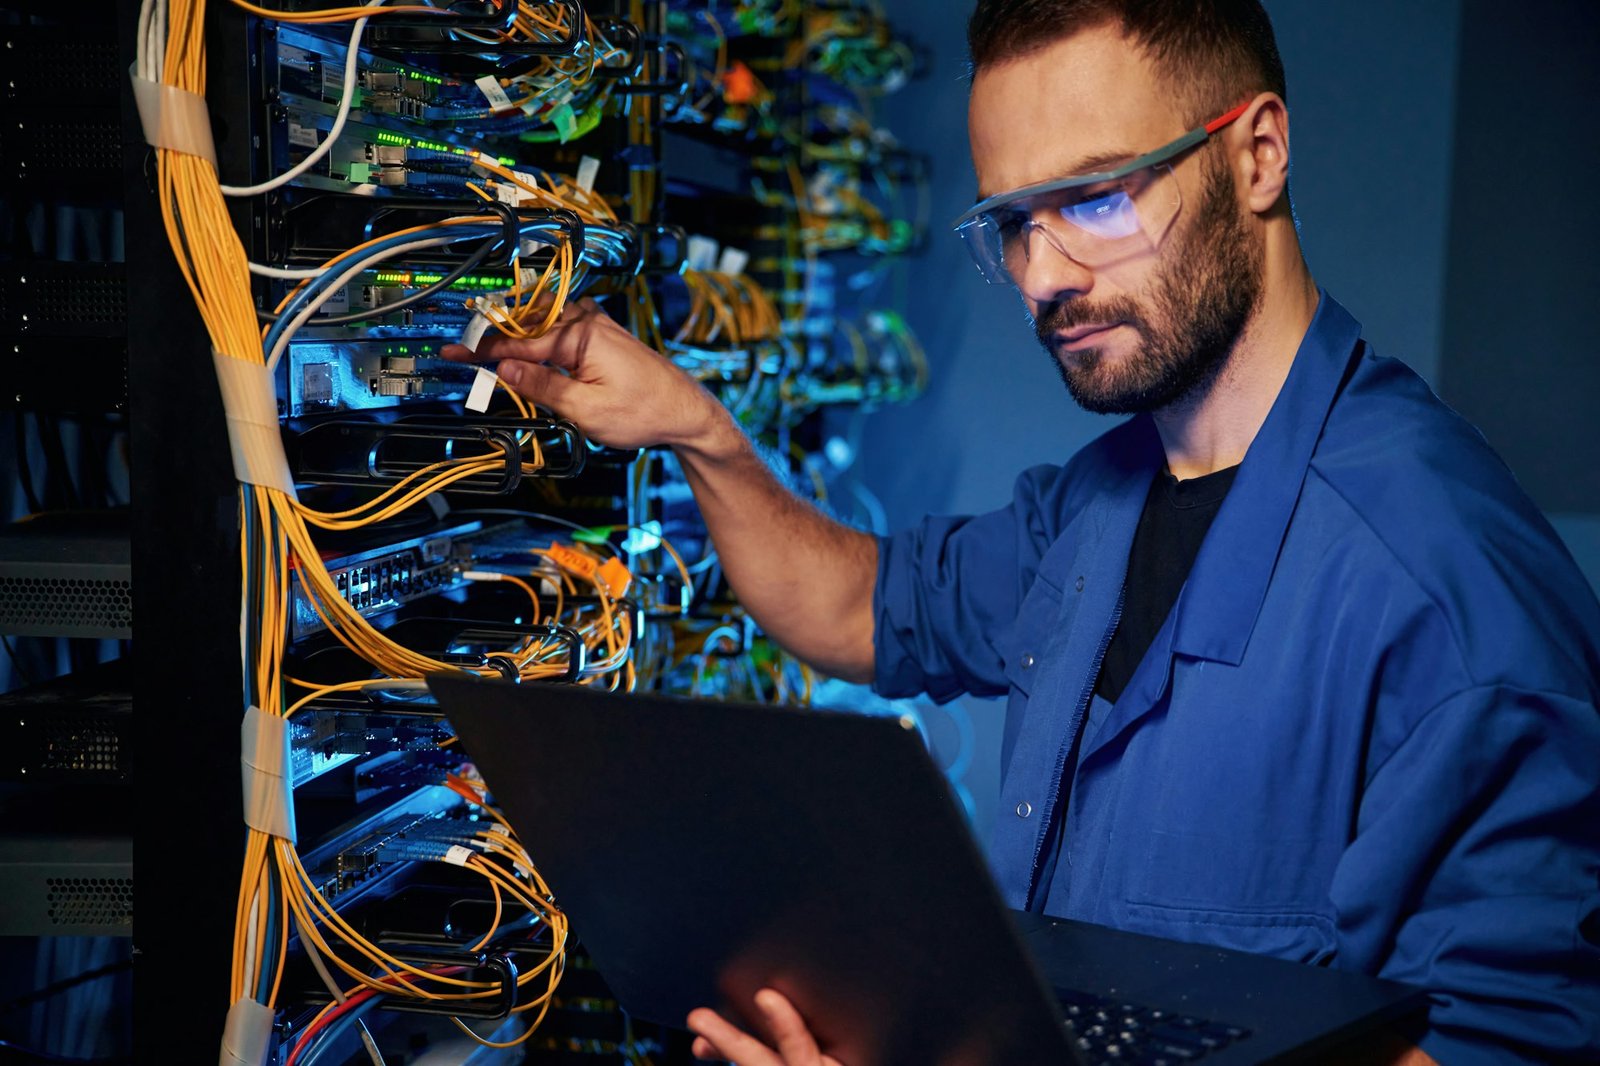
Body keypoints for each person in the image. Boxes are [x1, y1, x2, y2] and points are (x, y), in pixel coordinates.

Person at [444, 1, 1600, 1062]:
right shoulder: (1097, 503)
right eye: (1011, 221)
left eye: (1097, 197)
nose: (1044, 274)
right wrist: (701, 432)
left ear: (1257, 153)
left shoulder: (1449, 593)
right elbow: (858, 606)